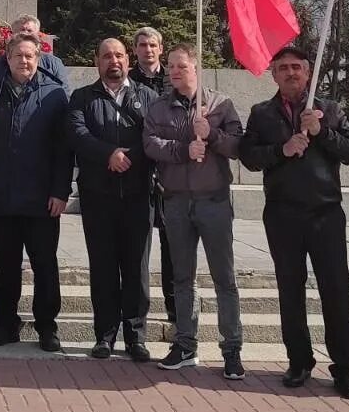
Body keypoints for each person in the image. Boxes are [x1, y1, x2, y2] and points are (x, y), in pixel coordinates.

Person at [239, 45, 349, 399]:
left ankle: (345, 369)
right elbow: (248, 157)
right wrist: (282, 150)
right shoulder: (262, 113)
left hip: (325, 215)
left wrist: (322, 132)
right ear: (274, 74)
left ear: (308, 72)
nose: (291, 73)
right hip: (282, 215)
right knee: (289, 291)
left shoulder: (330, 109)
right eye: (283, 68)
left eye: (297, 67)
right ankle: (299, 361)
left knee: (336, 291)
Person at [143, 44, 246, 379]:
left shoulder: (221, 104)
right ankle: (185, 344)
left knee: (224, 279)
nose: (174, 71)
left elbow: (237, 146)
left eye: (181, 66)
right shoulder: (159, 107)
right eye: (171, 66)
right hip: (175, 201)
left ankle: (232, 349)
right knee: (182, 278)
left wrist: (212, 134)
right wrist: (183, 149)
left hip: (213, 201)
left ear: (196, 67)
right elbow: (150, 145)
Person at [68, 37, 157, 362]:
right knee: (103, 268)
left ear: (128, 60)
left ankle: (136, 337)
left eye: (119, 55)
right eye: (106, 56)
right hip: (98, 197)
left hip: (137, 196)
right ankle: (104, 335)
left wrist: (127, 156)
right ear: (97, 61)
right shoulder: (82, 97)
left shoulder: (147, 96)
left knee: (137, 268)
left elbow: (155, 136)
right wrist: (109, 154)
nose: (113, 61)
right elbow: (77, 134)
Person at [0, 35, 70, 351]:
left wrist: (61, 191)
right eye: (18, 55)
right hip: (3, 198)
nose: (25, 61)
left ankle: (47, 326)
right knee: (5, 266)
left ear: (38, 59)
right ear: (7, 58)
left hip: (43, 200)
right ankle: (5, 324)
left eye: (30, 56)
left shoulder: (55, 95)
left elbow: (64, 150)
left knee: (44, 265)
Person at [129, 25, 174, 323]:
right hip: (139, 174)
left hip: (172, 175)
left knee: (174, 246)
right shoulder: (127, 81)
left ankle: (174, 310)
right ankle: (136, 312)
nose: (147, 49)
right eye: (142, 45)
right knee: (139, 248)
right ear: (135, 50)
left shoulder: (176, 79)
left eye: (152, 45)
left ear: (161, 48)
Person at [11, 13, 67, 82]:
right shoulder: (0, 63)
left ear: (37, 35)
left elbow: (63, 90)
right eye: (22, 30)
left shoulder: (53, 63)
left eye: (29, 30)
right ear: (13, 34)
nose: (26, 34)